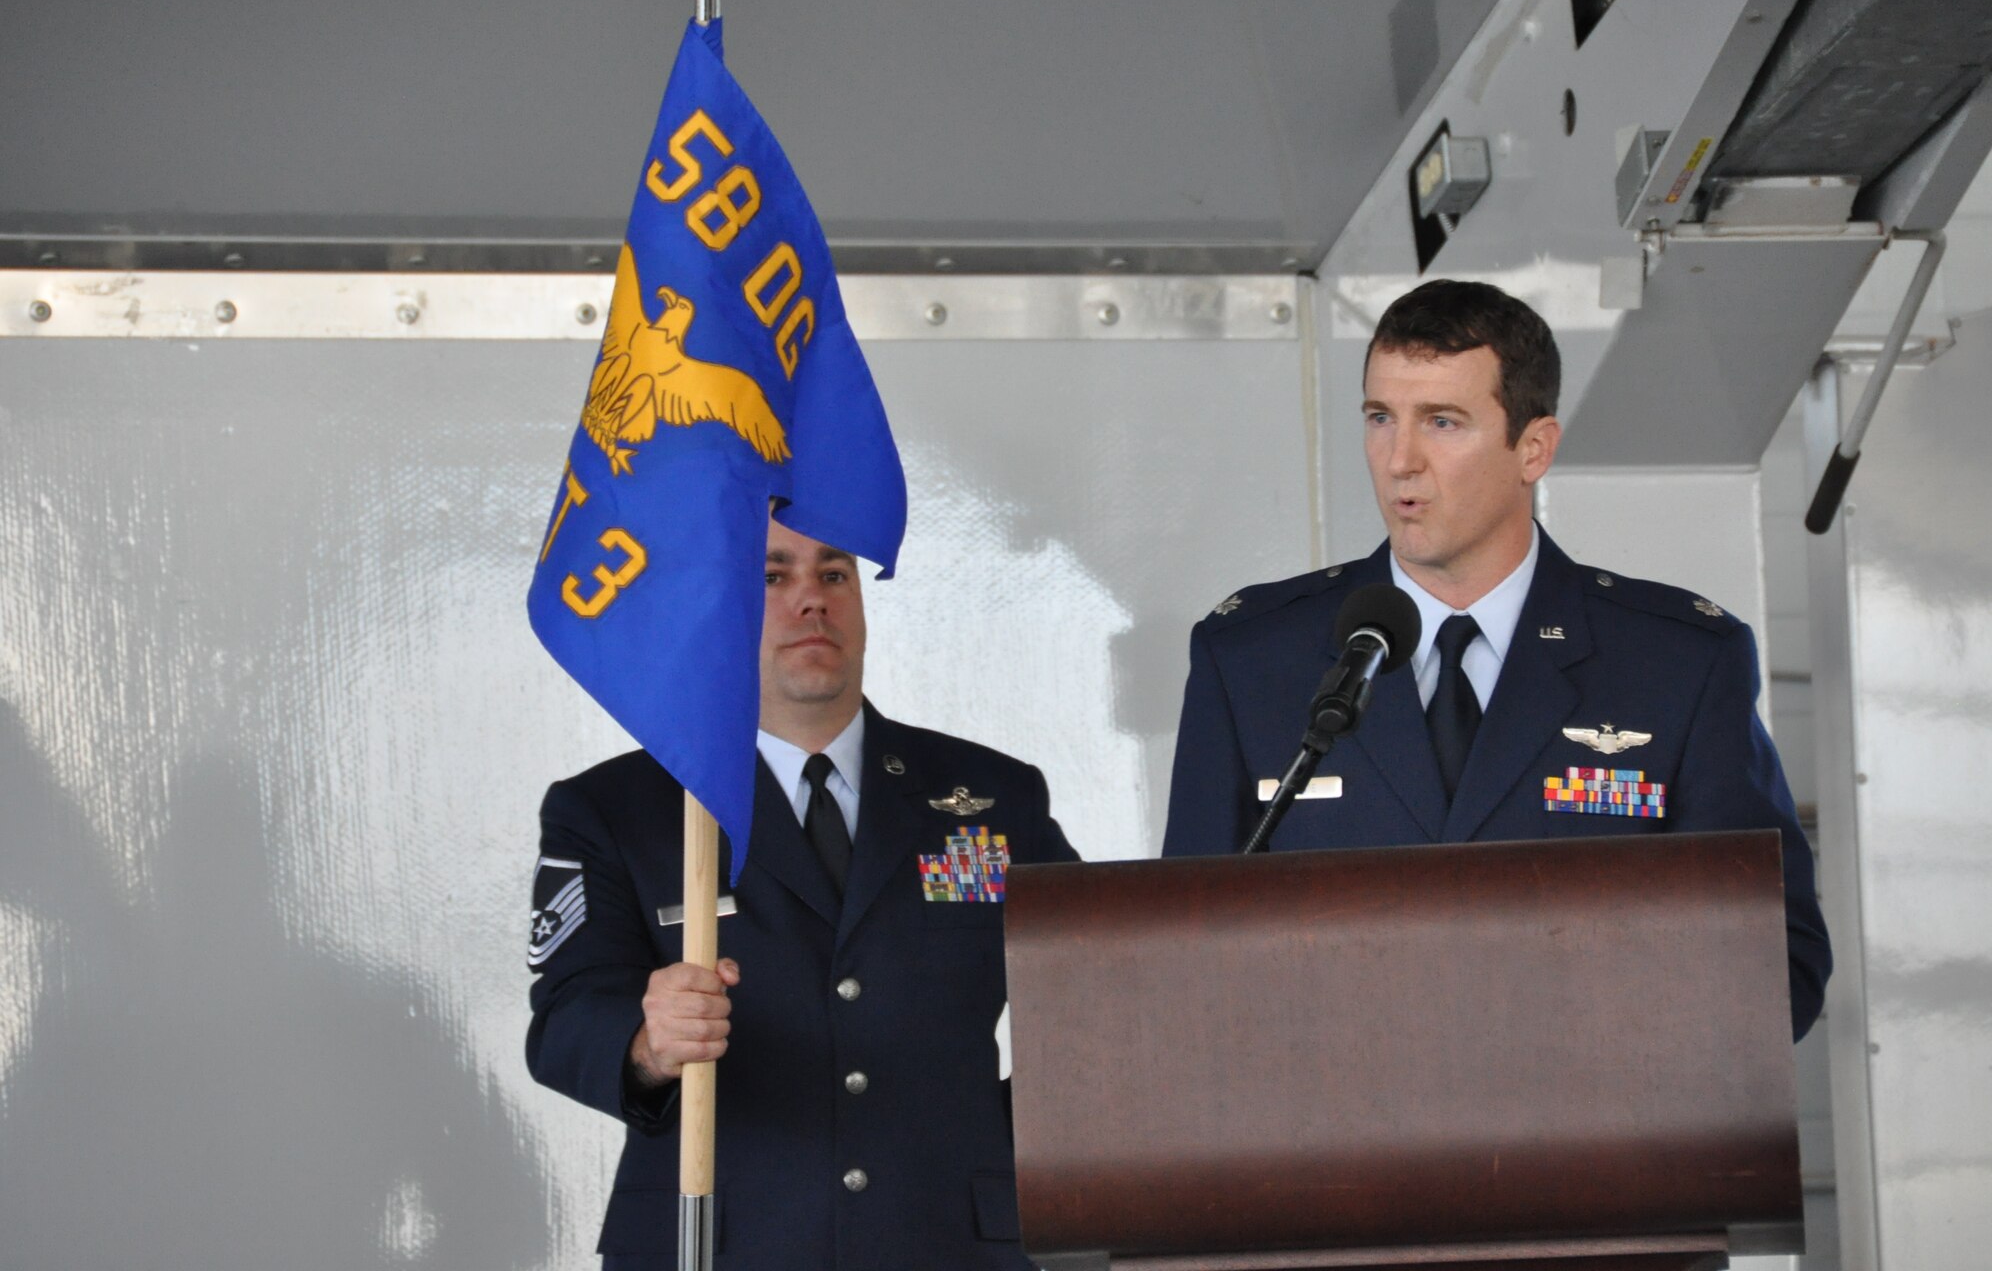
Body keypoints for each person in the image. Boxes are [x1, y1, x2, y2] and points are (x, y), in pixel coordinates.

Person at [1163, 278, 1832, 1041]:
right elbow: (1181, 948)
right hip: (1337, 1143)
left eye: (1442, 422)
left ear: (1533, 448)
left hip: (1594, 1133)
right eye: (1380, 418)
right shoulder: (1252, 658)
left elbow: (1777, 959)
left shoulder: (1676, 662)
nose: (1400, 460)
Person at [527, 516, 1078, 1269]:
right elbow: (563, 1020)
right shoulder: (621, 808)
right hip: (719, 1243)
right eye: (771, 576)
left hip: (948, 1239)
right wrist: (647, 1043)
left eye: (834, 574)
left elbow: (1091, 1001)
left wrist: (987, 1141)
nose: (811, 600)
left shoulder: (991, 796)